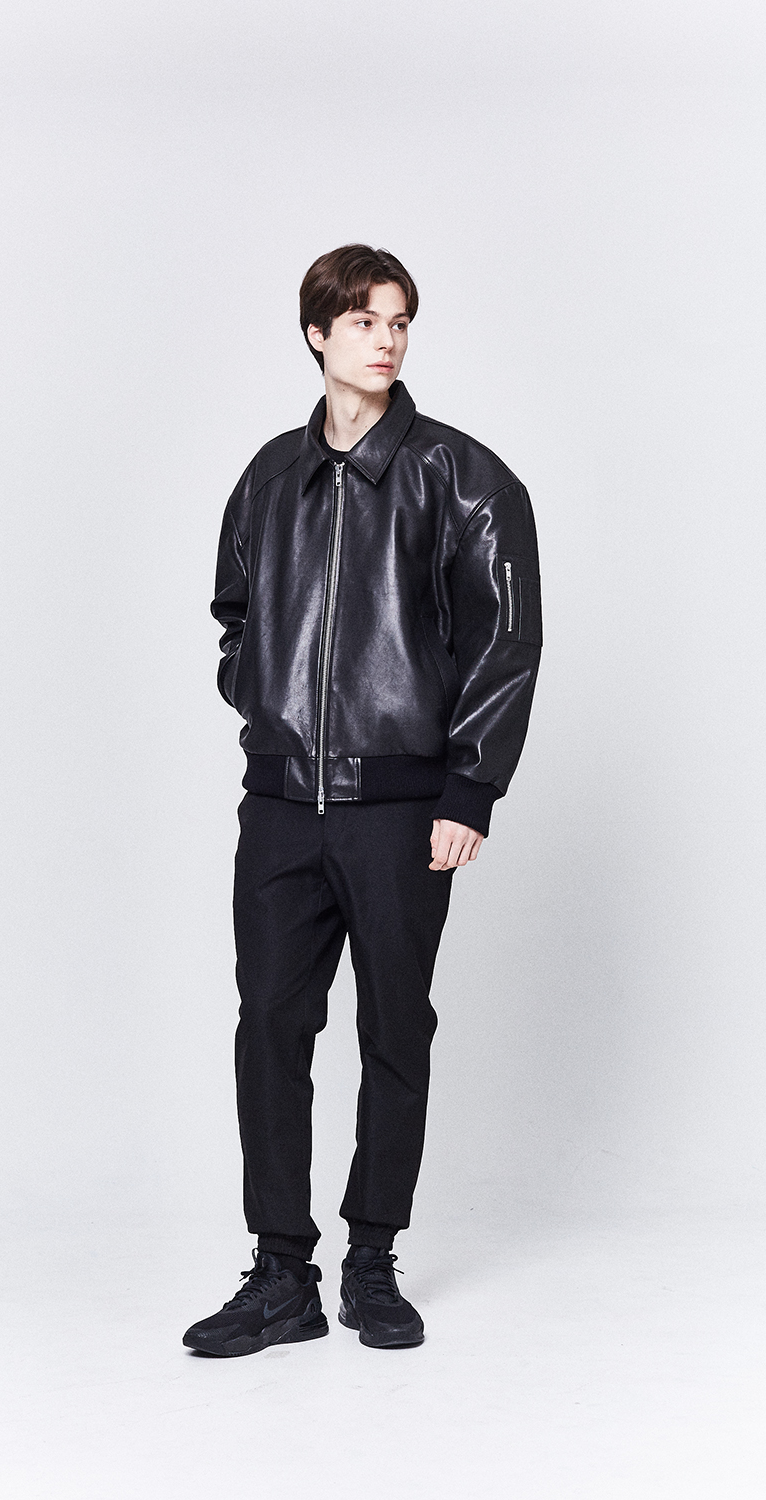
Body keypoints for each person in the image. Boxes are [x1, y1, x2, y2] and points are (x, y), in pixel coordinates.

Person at [182, 245, 542, 1357]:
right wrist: (264, 695)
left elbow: (506, 640)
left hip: (401, 810)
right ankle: (280, 1273)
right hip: (281, 806)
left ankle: (372, 1260)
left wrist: (468, 788)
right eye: (364, 321)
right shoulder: (269, 478)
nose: (386, 340)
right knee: (268, 1030)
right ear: (317, 334)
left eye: (399, 322)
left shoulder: (464, 478)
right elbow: (234, 615)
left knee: (394, 1028)